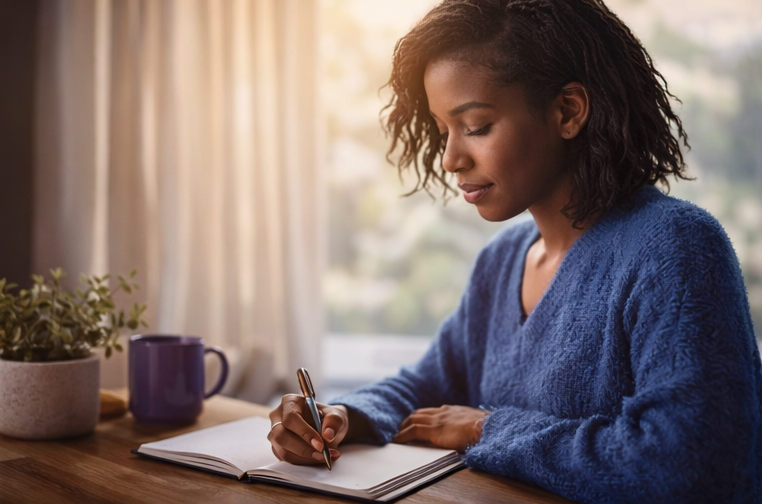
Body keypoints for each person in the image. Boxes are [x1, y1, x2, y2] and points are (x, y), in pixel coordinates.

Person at [268, 0, 762, 502]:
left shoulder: (675, 248)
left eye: (476, 126)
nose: (450, 159)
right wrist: (341, 418)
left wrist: (487, 430)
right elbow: (427, 387)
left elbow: (686, 464)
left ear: (567, 111)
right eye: (443, 131)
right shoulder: (502, 260)